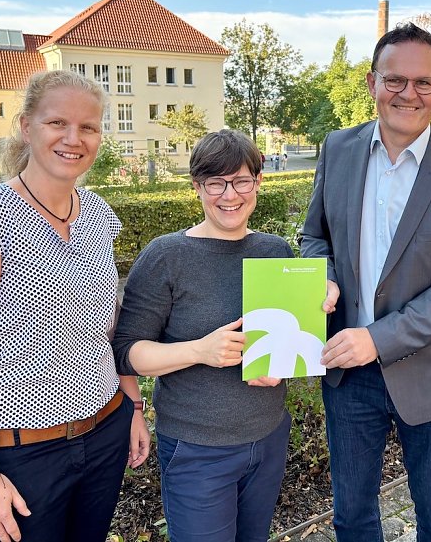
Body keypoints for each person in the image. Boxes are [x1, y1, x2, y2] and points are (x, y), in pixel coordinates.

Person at [0, 69, 150, 542]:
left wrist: (132, 404)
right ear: (27, 127)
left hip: (104, 436)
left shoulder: (98, 216)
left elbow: (108, 329)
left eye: (88, 127)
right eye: (57, 123)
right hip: (16, 456)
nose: (74, 138)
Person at [300, 22, 431, 541]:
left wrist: (378, 338)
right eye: (395, 80)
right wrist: (322, 277)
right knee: (352, 517)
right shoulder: (337, 148)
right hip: (347, 372)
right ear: (372, 83)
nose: (408, 93)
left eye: (423, 82)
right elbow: (314, 236)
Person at [112, 130, 296, 542]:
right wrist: (200, 350)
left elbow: (285, 338)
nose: (230, 195)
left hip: (268, 436)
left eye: (241, 181)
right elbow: (127, 352)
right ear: (197, 186)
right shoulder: (166, 256)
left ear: (258, 182)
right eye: (216, 183)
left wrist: (285, 361)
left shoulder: (275, 251)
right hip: (197, 449)